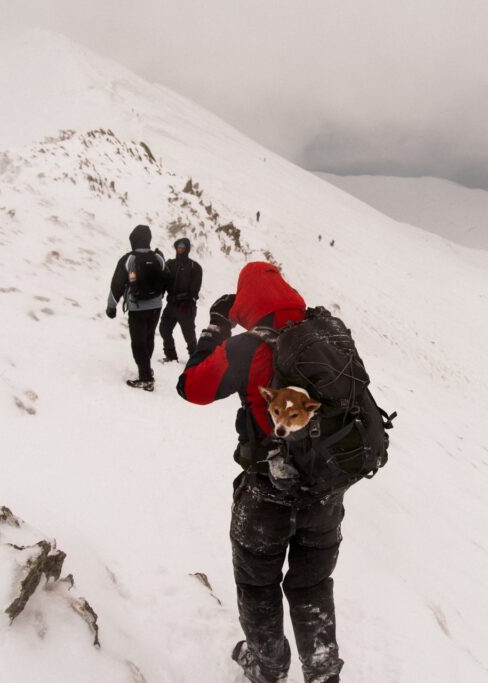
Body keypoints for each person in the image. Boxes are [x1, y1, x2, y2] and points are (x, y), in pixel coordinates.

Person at [176, 262, 344, 683]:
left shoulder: (249, 347)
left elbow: (191, 387)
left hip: (266, 496)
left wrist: (216, 328)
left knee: (258, 585)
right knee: (312, 586)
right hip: (325, 493)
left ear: (247, 301)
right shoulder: (329, 337)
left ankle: (268, 668)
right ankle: (322, 671)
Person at [105, 224, 165, 391]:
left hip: (137, 307)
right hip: (156, 306)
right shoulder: (159, 258)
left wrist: (111, 307)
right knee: (149, 338)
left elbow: (116, 285)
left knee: (138, 343)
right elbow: (166, 278)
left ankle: (146, 378)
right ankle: (146, 368)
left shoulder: (128, 259)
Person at [158, 237, 203, 362]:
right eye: (179, 246)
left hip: (185, 307)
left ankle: (195, 359)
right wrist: (160, 293)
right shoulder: (170, 264)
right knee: (164, 329)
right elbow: (163, 282)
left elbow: (195, 290)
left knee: (189, 335)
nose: (180, 249)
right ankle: (171, 356)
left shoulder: (194, 267)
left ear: (187, 249)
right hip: (171, 305)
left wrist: (187, 300)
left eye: (183, 247)